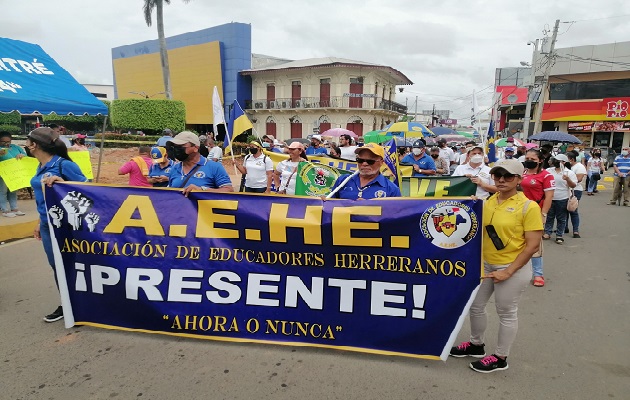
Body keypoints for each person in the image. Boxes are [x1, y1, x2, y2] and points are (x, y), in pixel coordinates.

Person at [450, 159, 542, 373]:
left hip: (512, 267)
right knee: (475, 306)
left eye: (508, 176)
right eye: (497, 175)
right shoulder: (490, 201)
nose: (501, 180)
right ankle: (476, 344)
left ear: (519, 179)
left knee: (506, 311)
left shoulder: (529, 207)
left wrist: (508, 271)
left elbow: (532, 246)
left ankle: (501, 357)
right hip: (485, 264)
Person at [26, 127, 88, 323]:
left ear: (34, 145)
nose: (25, 146)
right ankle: (67, 302)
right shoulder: (40, 166)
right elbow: (44, 199)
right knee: (56, 265)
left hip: (66, 225)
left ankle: (84, 302)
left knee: (71, 264)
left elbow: (89, 188)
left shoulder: (63, 165)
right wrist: (39, 221)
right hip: (47, 225)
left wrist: (64, 183)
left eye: (27, 142)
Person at [520, 149, 555, 287]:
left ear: (540, 160)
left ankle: (538, 274)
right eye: (527, 158)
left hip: (536, 213)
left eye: (532, 159)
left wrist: (543, 214)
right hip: (519, 212)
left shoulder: (546, 176)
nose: (529, 161)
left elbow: (549, 196)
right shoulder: (522, 173)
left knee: (535, 244)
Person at [167, 131, 234, 194]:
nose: (176, 150)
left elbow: (229, 191)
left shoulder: (215, 167)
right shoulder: (174, 168)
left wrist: (202, 190)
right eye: (174, 147)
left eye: (180, 146)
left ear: (196, 148)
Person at [328, 143, 400, 199]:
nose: (364, 164)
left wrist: (367, 207)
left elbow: (396, 215)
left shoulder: (392, 189)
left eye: (370, 161)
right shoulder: (343, 181)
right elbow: (330, 206)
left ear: (381, 162)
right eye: (360, 160)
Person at [543, 154, 577, 244]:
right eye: (555, 160)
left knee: (561, 218)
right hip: (550, 197)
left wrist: (567, 179)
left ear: (563, 162)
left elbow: (573, 185)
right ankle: (547, 232)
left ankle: (559, 235)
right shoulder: (549, 171)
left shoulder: (569, 173)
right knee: (549, 216)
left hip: (562, 198)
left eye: (558, 161)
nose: (555, 162)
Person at [0, 131, 27, 217]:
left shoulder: (15, 147)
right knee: (2, 191)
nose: (6, 144)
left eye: (8, 141)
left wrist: (21, 155)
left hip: (14, 173)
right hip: (3, 173)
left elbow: (25, 155)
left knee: (13, 190)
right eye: (3, 142)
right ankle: (4, 210)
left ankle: (14, 208)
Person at [567, 151, 586, 238]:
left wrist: (567, 179)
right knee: (564, 210)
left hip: (576, 190)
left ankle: (575, 230)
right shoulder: (566, 167)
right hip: (566, 190)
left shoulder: (579, 167)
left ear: (571, 159)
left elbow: (579, 179)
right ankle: (564, 227)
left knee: (573, 210)